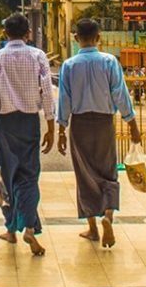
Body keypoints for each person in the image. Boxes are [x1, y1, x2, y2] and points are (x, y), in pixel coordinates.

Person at [56, 18, 141, 249]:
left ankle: (93, 228)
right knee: (108, 171)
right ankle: (108, 216)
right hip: (104, 123)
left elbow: (64, 99)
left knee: (84, 175)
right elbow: (120, 94)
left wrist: (61, 129)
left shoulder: (70, 65)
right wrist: (131, 122)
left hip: (80, 124)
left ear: (76, 38)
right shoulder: (109, 62)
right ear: (99, 37)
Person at [0, 12, 55, 256]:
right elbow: (47, 92)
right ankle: (28, 227)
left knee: (7, 175)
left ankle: (12, 226)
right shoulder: (38, 56)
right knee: (29, 176)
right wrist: (51, 126)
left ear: (5, 33)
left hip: (5, 124)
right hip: (30, 122)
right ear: (28, 34)